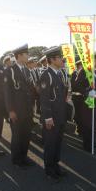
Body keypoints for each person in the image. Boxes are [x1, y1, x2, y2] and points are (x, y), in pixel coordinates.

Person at [4, 44, 35, 167]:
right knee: (17, 136)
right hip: (16, 110)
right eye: (26, 54)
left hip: (27, 109)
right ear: (19, 56)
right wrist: (10, 110)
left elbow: (30, 90)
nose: (28, 56)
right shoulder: (10, 71)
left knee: (26, 135)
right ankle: (17, 160)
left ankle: (24, 156)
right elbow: (7, 93)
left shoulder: (27, 70)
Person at [39, 46, 67, 182]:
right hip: (52, 118)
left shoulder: (59, 74)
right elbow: (44, 99)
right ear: (52, 60)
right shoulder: (46, 75)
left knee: (58, 143)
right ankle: (49, 170)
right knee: (50, 144)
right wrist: (48, 118)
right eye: (59, 57)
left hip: (60, 116)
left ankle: (55, 165)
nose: (62, 59)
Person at [75, 53, 96, 152]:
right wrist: (86, 92)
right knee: (88, 122)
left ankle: (93, 142)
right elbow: (77, 84)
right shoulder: (85, 70)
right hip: (90, 100)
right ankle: (87, 144)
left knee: (95, 122)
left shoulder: (95, 70)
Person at [71, 59, 83, 136]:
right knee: (78, 114)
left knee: (82, 114)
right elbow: (74, 85)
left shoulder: (83, 73)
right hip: (76, 96)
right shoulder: (74, 73)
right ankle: (78, 129)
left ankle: (82, 128)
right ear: (79, 66)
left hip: (82, 97)